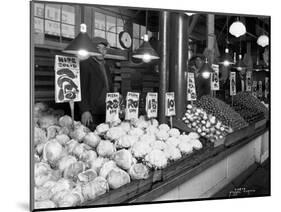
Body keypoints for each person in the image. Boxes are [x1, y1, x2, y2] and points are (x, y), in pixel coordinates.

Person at [78, 37, 113, 128]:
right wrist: (85, 110)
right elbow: (81, 88)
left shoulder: (106, 66)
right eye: (98, 48)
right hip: (91, 113)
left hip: (106, 110)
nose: (101, 51)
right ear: (92, 49)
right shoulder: (85, 64)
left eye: (104, 49)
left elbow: (108, 86)